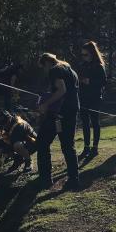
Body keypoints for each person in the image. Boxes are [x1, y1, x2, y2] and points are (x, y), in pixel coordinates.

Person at [36, 53, 80, 189]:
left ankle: (45, 179)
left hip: (59, 113)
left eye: (43, 67)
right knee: (68, 145)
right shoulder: (69, 69)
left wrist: (45, 104)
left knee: (42, 142)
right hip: (72, 110)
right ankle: (74, 179)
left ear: (47, 63)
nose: (44, 71)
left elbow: (61, 90)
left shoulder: (55, 70)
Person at [77, 41, 107, 158]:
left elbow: (104, 82)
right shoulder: (82, 65)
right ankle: (86, 147)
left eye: (86, 55)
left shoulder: (99, 66)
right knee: (85, 123)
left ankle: (95, 148)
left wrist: (90, 81)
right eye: (82, 55)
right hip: (83, 97)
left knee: (95, 122)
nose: (84, 57)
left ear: (92, 53)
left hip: (95, 97)